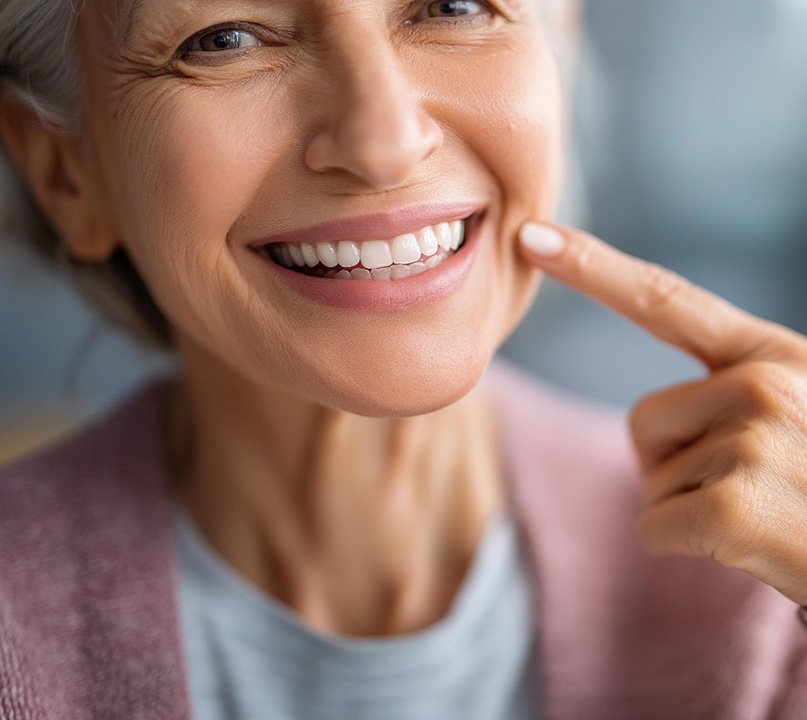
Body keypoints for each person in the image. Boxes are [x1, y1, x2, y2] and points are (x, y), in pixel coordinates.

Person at [0, 1, 805, 718]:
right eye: (224, 39)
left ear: (556, 53)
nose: (382, 143)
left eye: (453, 7)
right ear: (65, 172)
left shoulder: (767, 576)